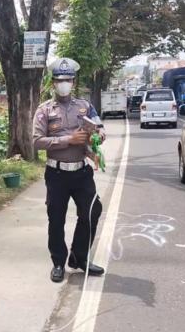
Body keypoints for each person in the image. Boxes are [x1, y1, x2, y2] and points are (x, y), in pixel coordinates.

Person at [32, 57, 106, 283]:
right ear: (53, 82)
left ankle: (79, 257)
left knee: (92, 210)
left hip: (82, 172)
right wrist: (69, 139)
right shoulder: (44, 110)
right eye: (59, 80)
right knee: (56, 219)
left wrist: (97, 136)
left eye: (68, 80)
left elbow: (101, 130)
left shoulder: (85, 106)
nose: (63, 83)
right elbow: (36, 141)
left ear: (73, 82)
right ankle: (58, 262)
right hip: (56, 174)